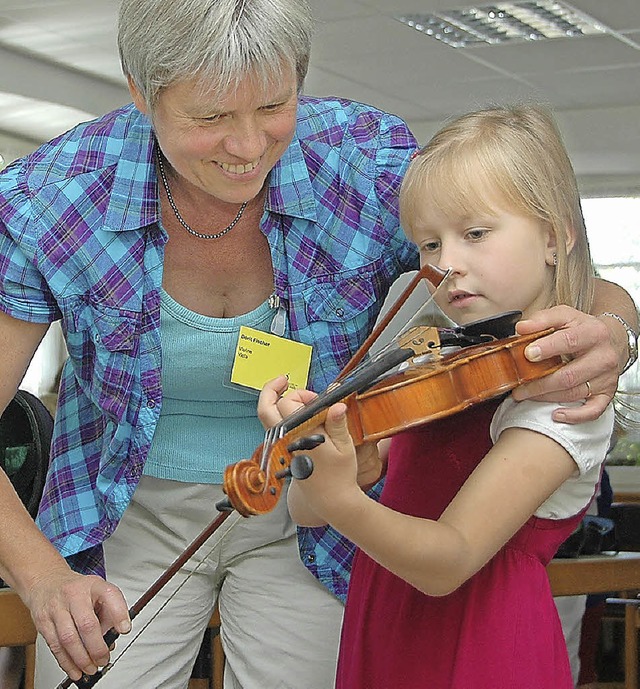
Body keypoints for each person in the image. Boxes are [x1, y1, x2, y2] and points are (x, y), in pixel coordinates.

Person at [0, 0, 635, 685]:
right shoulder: (52, 197)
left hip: (317, 495)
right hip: (129, 498)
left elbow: (529, 252)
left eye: (273, 105)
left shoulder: (364, 158)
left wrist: (619, 331)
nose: (246, 148)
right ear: (140, 91)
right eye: (210, 117)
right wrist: (40, 576)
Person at [259, 104, 625, 689]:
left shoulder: (565, 393)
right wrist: (323, 458)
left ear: (555, 237)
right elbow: (309, 510)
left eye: (475, 234)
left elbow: (449, 560)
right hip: (384, 622)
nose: (444, 265)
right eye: (428, 245)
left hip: (482, 645)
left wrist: (345, 501)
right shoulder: (438, 355)